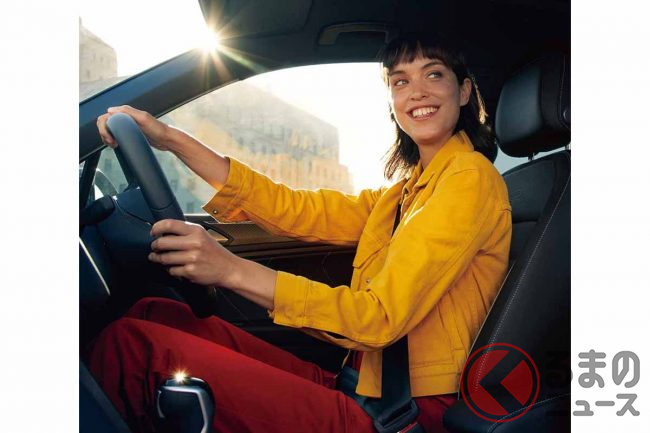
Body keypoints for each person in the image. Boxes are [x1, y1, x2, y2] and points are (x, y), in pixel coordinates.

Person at [90, 33, 512, 433]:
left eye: (433, 74)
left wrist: (229, 270)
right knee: (154, 313)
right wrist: (169, 138)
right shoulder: (403, 194)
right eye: (400, 81)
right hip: (368, 388)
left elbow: (379, 318)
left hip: (406, 413)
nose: (416, 92)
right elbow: (292, 209)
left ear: (463, 91)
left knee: (130, 347)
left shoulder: (468, 177)